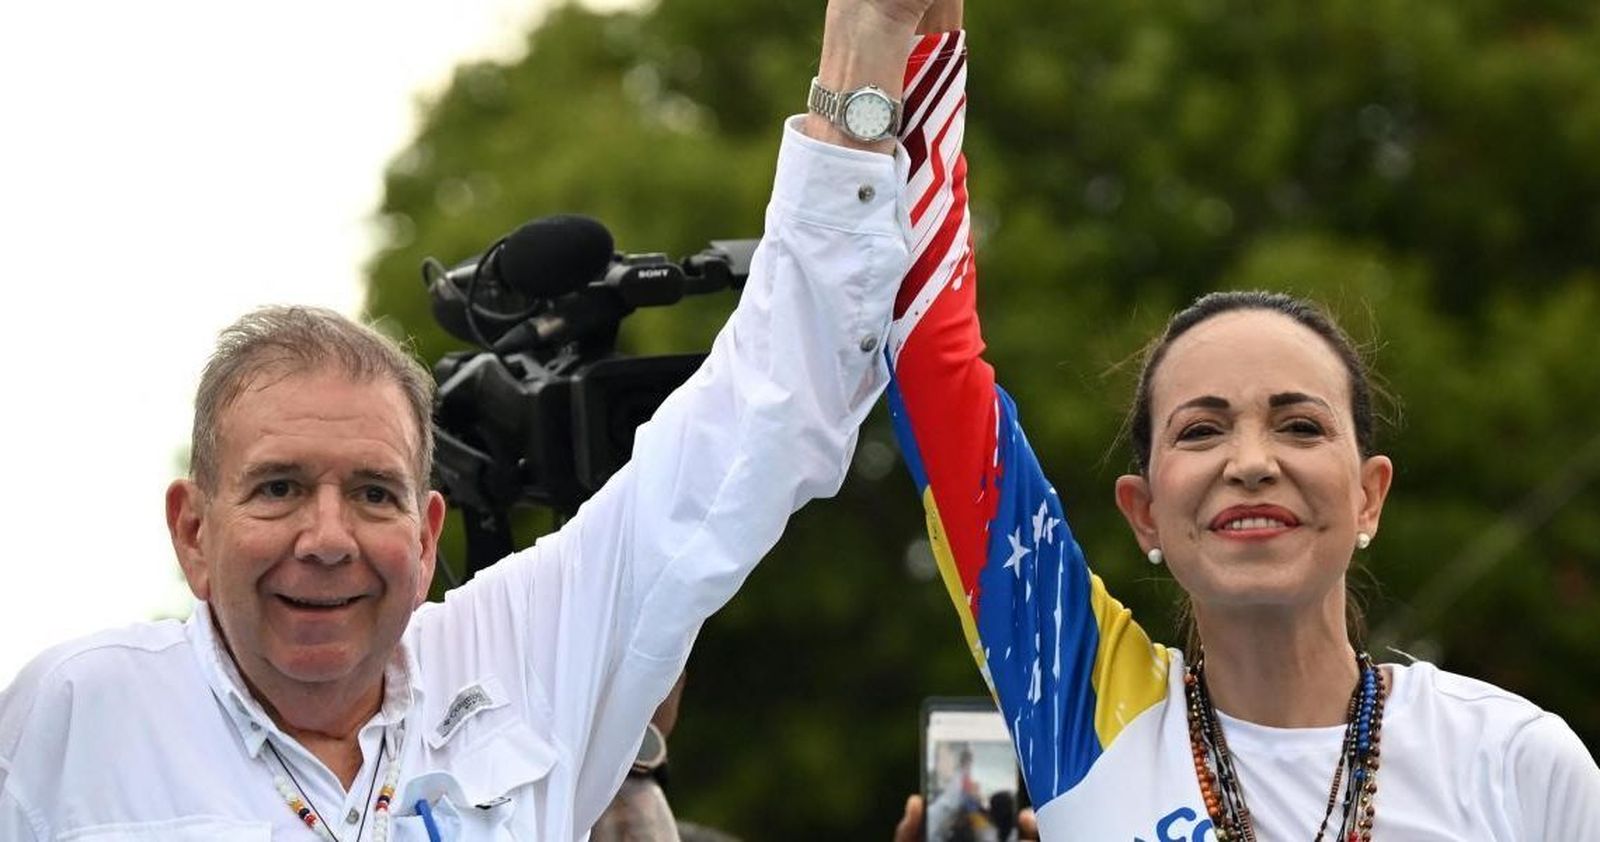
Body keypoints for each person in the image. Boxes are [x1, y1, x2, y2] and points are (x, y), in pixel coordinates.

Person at [0, 0, 940, 837]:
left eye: (373, 493)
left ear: (427, 531)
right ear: (193, 531)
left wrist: (872, 39)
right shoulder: (76, 712)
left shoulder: (519, 660)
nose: (327, 539)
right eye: (279, 488)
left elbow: (766, 416)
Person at [882, 3, 1600, 839]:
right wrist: (899, 39)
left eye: (1300, 426)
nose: (1252, 461)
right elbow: (931, 365)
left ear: (1370, 496)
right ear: (1144, 509)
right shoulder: (1081, 708)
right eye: (1200, 430)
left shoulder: (1516, 761)